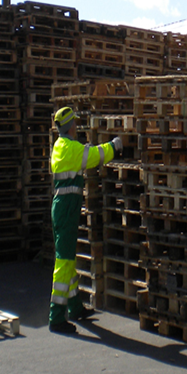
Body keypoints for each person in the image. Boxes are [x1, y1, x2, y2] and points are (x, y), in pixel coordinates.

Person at [49, 106, 122, 334]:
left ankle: (75, 307)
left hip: (63, 208)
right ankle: (56, 317)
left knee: (68, 259)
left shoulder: (61, 146)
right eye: (76, 124)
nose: (77, 127)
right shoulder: (70, 148)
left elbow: (82, 154)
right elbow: (93, 157)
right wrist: (114, 146)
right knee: (63, 263)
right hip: (66, 209)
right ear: (71, 125)